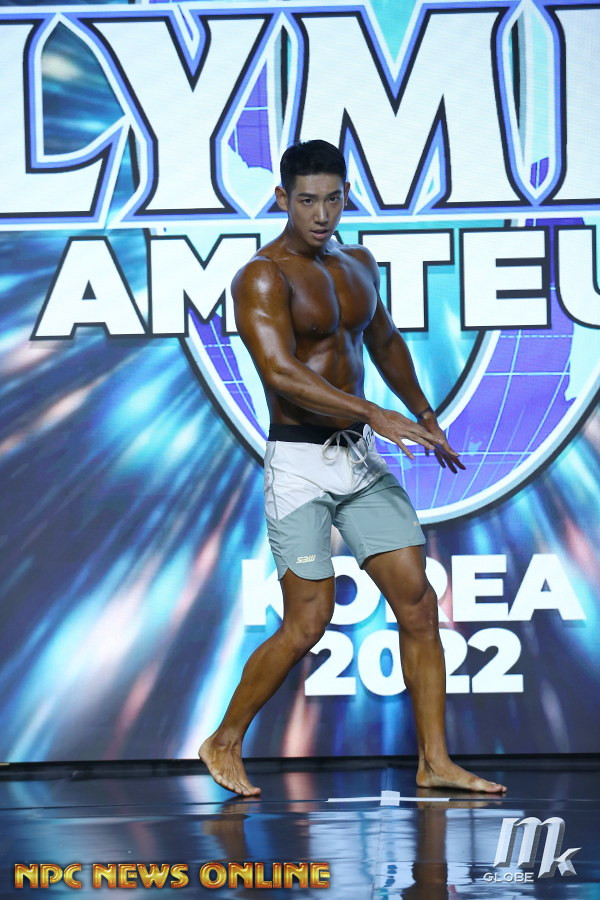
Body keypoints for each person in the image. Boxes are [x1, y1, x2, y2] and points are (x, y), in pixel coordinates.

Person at [199, 140, 506, 796]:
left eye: (333, 199)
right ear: (282, 199)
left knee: (418, 603)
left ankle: (435, 763)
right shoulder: (262, 277)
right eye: (306, 200)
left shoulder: (357, 264)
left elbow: (385, 342)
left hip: (358, 459)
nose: (321, 214)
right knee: (307, 622)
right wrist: (374, 412)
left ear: (346, 197)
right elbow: (280, 373)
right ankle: (223, 738)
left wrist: (423, 414)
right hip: (300, 465)